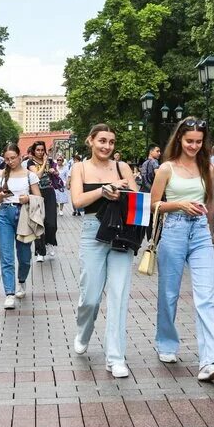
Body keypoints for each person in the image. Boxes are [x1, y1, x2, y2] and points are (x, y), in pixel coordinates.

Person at [150, 118, 214, 382]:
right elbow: (154, 205)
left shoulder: (209, 168)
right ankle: (166, 343)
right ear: (179, 139)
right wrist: (180, 204)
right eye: (189, 141)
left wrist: (210, 230)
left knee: (206, 296)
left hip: (201, 234)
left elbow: (209, 203)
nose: (194, 146)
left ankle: (209, 361)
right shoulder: (166, 169)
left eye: (199, 141)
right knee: (169, 294)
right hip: (174, 230)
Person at [70, 124, 137, 378]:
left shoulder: (123, 168)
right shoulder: (80, 168)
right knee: (90, 297)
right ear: (90, 141)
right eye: (102, 141)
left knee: (119, 296)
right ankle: (84, 331)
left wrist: (123, 191)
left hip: (121, 233)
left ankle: (115, 357)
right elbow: (77, 201)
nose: (107, 146)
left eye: (111, 142)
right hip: (92, 231)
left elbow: (135, 199)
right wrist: (103, 190)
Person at [0, 143, 42, 309]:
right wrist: (1, 195)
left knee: (25, 257)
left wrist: (28, 198)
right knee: (7, 256)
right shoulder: (0, 175)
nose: (10, 161)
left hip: (24, 215)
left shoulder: (29, 175)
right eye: (7, 159)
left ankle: (21, 281)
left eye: (13, 158)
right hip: (5, 214)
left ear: (20, 156)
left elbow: (39, 198)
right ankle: (9, 293)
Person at [26, 141, 59, 263]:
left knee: (51, 223)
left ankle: (49, 242)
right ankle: (40, 251)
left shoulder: (50, 162)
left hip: (49, 193)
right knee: (39, 223)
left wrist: (54, 171)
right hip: (36, 193)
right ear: (34, 151)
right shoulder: (30, 163)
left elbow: (56, 173)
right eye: (38, 150)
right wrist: (45, 162)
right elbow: (37, 176)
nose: (40, 152)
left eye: (42, 150)